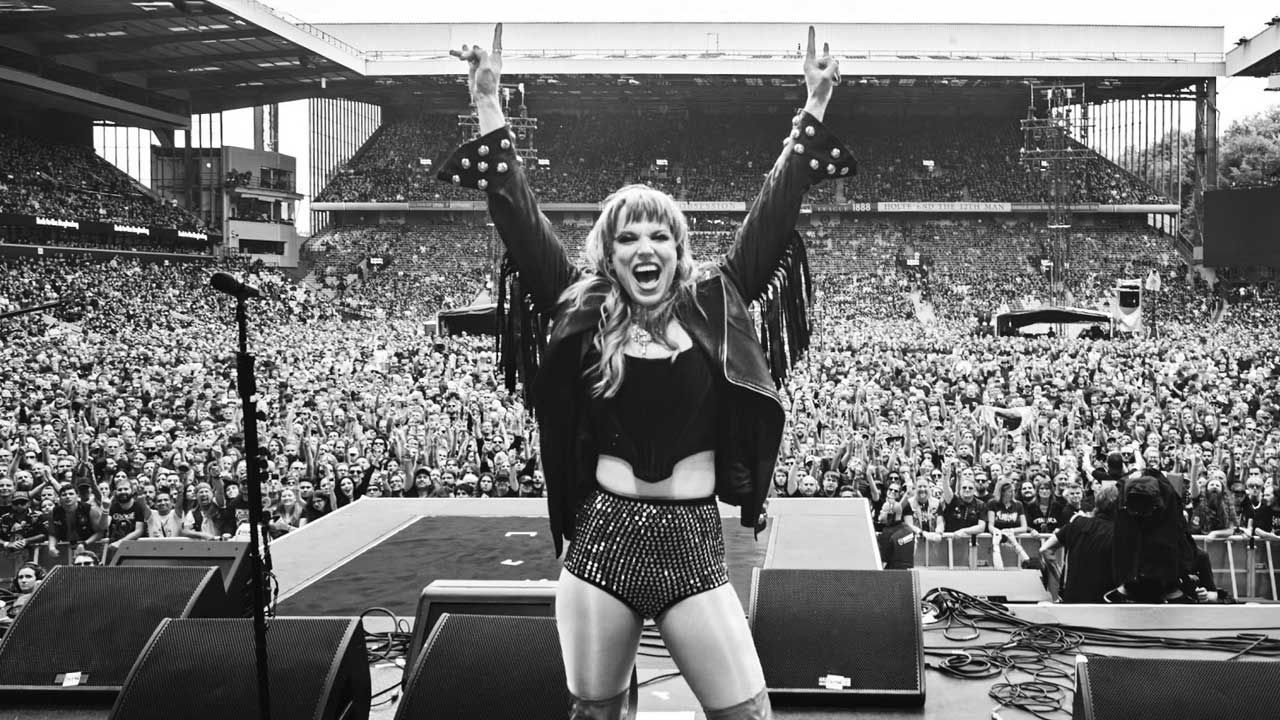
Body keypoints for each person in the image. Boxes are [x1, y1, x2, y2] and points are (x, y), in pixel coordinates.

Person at [442, 23, 849, 719]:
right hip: (603, 543)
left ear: (679, 249)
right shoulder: (580, 306)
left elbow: (772, 214)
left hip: (691, 544)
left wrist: (813, 108)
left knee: (748, 712)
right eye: (627, 236)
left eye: (659, 233)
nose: (645, 245)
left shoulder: (715, 301)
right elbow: (519, 216)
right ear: (609, 253)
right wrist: (487, 102)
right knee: (597, 713)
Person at [1039, 484, 1118, 602]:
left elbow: (1045, 549)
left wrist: (1060, 578)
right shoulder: (1120, 532)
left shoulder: (1077, 522)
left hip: (1072, 599)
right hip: (1105, 602)